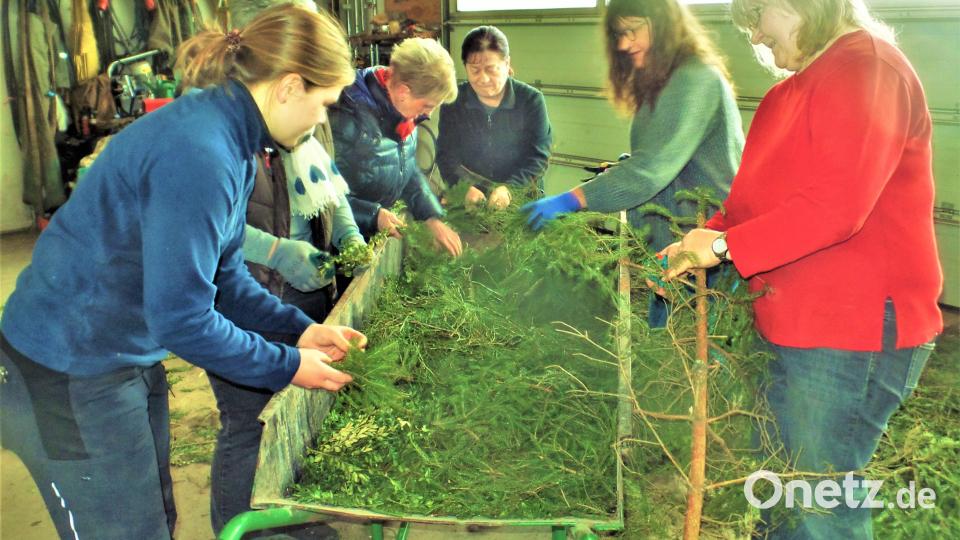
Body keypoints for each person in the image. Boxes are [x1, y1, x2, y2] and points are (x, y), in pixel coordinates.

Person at [0, 5, 366, 539]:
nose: (322, 119)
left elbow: (225, 276)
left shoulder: (237, 140)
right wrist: (288, 365)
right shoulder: (202, 152)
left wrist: (299, 330)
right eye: (325, 103)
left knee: (154, 519)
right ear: (290, 86)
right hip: (67, 365)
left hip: (123, 354)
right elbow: (181, 319)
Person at [657, 1, 943, 537]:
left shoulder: (868, 67)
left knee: (816, 506)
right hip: (791, 324)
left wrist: (722, 249)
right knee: (780, 493)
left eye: (757, 15)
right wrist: (692, 247)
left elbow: (838, 205)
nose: (754, 37)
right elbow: (745, 208)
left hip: (849, 331)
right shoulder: (784, 96)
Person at [520, 0, 744, 326]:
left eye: (633, 30)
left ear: (665, 23)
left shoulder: (694, 80)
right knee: (664, 342)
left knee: (693, 346)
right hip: (674, 248)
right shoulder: (664, 83)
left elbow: (649, 170)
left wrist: (572, 199)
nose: (624, 44)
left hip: (706, 254)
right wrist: (623, 167)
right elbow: (664, 157)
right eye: (618, 34)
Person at [329, 37, 463, 256]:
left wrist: (431, 216)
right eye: (428, 105)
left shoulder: (404, 116)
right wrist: (372, 215)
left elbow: (407, 169)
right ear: (403, 91)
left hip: (377, 235)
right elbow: (323, 196)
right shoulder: (345, 118)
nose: (429, 114)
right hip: (342, 246)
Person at [436, 25, 553, 210]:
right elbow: (446, 156)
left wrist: (509, 189)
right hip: (472, 202)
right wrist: (464, 187)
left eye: (491, 69)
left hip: (521, 200)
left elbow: (539, 157)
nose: (483, 79)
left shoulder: (531, 100)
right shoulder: (454, 101)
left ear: (507, 63)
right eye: (475, 70)